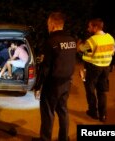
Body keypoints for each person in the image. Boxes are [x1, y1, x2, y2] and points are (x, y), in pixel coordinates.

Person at [34, 11, 77, 141]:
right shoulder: (71, 40)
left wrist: (38, 86)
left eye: (48, 24)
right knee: (63, 111)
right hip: (66, 83)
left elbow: (45, 67)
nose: (48, 27)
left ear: (52, 24)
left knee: (48, 113)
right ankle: (64, 138)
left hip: (52, 84)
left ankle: (45, 139)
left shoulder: (51, 41)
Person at [77, 18, 115, 122]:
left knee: (90, 90)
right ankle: (103, 115)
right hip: (106, 68)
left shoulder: (92, 40)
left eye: (90, 26)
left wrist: (79, 43)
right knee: (102, 91)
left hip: (93, 68)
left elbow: (81, 49)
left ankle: (93, 112)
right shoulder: (110, 38)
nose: (88, 28)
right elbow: (112, 52)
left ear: (95, 27)